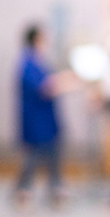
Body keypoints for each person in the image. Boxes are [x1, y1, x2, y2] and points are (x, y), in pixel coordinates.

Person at [15, 24, 77, 207]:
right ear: (36, 39)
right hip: (36, 120)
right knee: (34, 155)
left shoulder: (38, 61)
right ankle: (23, 190)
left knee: (53, 154)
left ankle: (55, 189)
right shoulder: (27, 62)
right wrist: (64, 82)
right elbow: (43, 87)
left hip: (46, 120)